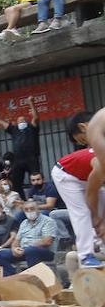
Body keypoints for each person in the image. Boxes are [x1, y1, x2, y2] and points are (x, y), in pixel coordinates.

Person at [55, 112, 104, 267]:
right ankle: (86, 255)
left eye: (84, 140)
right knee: (82, 212)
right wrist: (95, 217)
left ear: (84, 127)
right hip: (66, 176)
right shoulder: (100, 160)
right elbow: (92, 191)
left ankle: (101, 247)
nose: (88, 145)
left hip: (85, 175)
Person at [0, 201, 56, 275]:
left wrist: (26, 248)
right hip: (24, 251)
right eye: (26, 209)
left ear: (38, 209)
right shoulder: (24, 223)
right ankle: (12, 276)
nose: (29, 211)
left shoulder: (48, 221)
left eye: (32, 209)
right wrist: (14, 249)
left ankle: (35, 278)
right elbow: (16, 241)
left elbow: (47, 241)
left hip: (43, 252)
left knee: (31, 251)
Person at [0, 97, 40, 189]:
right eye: (19, 121)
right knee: (16, 183)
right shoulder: (14, 129)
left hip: (32, 158)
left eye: (23, 120)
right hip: (18, 160)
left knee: (36, 180)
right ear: (16, 123)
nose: (21, 121)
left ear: (27, 122)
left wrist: (31, 103)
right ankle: (21, 200)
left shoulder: (32, 128)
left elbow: (35, 117)